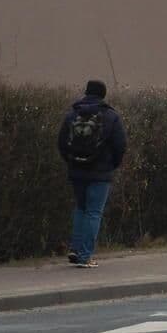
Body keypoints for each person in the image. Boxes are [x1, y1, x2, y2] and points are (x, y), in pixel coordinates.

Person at [57, 80, 127, 268]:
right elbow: (120, 145)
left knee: (81, 209)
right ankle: (85, 256)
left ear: (86, 92)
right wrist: (112, 164)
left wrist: (71, 161)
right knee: (94, 212)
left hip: (77, 171)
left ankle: (75, 248)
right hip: (100, 172)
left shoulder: (72, 114)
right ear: (103, 95)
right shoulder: (111, 116)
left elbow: (62, 143)